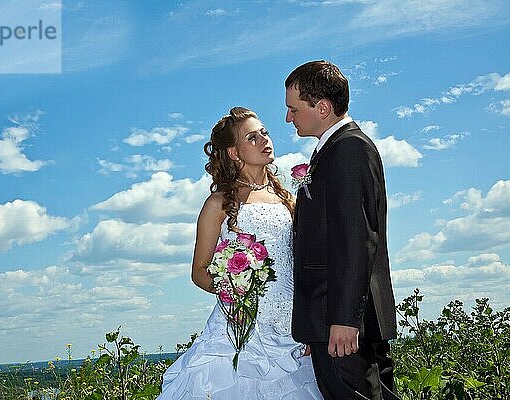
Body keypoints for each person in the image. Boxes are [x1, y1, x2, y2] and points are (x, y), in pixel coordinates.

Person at [158, 107, 324, 399]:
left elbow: (305, 265)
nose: (264, 140)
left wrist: (310, 324)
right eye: (252, 137)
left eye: (264, 132)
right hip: (240, 324)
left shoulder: (289, 201)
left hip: (291, 328)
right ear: (234, 153)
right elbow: (199, 272)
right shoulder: (218, 203)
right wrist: (232, 288)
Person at [285, 60, 400, 400]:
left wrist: (343, 319)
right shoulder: (333, 150)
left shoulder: (349, 149)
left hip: (343, 321)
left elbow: (355, 239)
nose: (288, 118)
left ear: (323, 108)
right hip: (332, 317)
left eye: (294, 109)